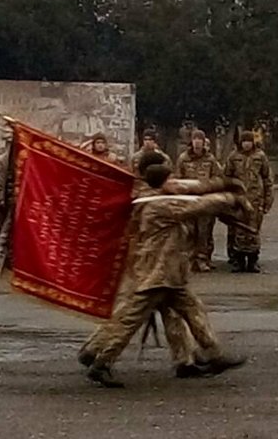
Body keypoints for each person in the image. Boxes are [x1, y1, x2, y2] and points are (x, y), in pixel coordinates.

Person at [84, 160, 250, 388]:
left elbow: (192, 192)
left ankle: (213, 354)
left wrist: (222, 184)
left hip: (170, 274)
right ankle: (101, 362)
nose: (174, 182)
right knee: (129, 321)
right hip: (157, 275)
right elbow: (198, 206)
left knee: (193, 310)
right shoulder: (159, 206)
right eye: (171, 179)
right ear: (162, 182)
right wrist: (230, 198)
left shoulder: (154, 198)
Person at [79, 151, 204, 379]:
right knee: (130, 313)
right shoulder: (148, 198)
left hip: (156, 263)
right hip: (147, 263)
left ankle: (185, 359)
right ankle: (96, 349)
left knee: (169, 312)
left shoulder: (144, 193)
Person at [222, 131, 274, 273]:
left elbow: (267, 179)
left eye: (249, 141)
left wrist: (268, 199)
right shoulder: (233, 157)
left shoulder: (260, 156)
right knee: (238, 230)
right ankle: (238, 261)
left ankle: (253, 260)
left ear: (253, 143)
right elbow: (226, 178)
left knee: (253, 230)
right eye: (244, 141)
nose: (246, 144)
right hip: (238, 200)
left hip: (255, 199)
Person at [176, 129, 223, 272]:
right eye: (195, 139)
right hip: (189, 200)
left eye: (200, 139)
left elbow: (217, 177)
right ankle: (190, 259)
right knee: (189, 231)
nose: (197, 142)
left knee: (204, 231)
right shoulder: (183, 158)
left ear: (203, 142)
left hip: (205, 200)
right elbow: (178, 177)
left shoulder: (210, 159)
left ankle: (203, 259)